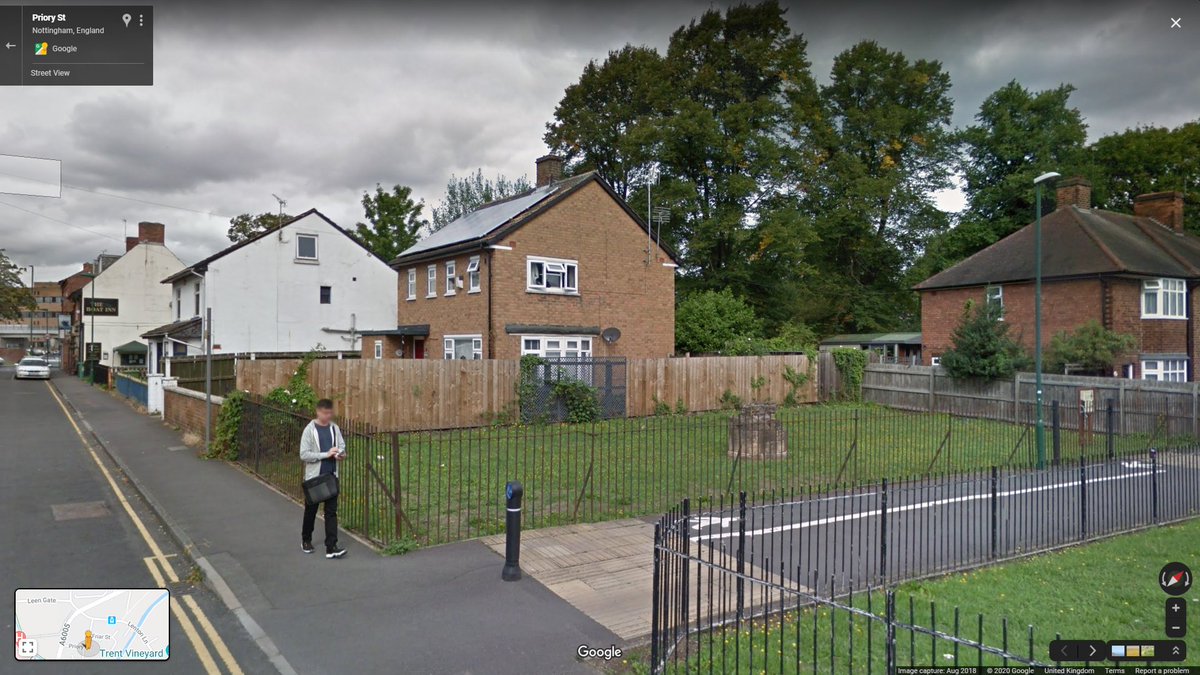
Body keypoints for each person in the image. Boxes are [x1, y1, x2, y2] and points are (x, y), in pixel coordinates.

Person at [299, 398, 347, 558]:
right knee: (311, 510)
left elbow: (341, 446)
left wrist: (340, 454)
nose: (327, 416)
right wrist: (325, 455)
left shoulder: (334, 428)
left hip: (331, 476)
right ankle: (306, 539)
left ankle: (331, 546)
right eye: (324, 413)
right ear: (318, 412)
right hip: (316, 478)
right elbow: (304, 454)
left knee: (331, 512)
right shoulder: (309, 430)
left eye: (329, 413)